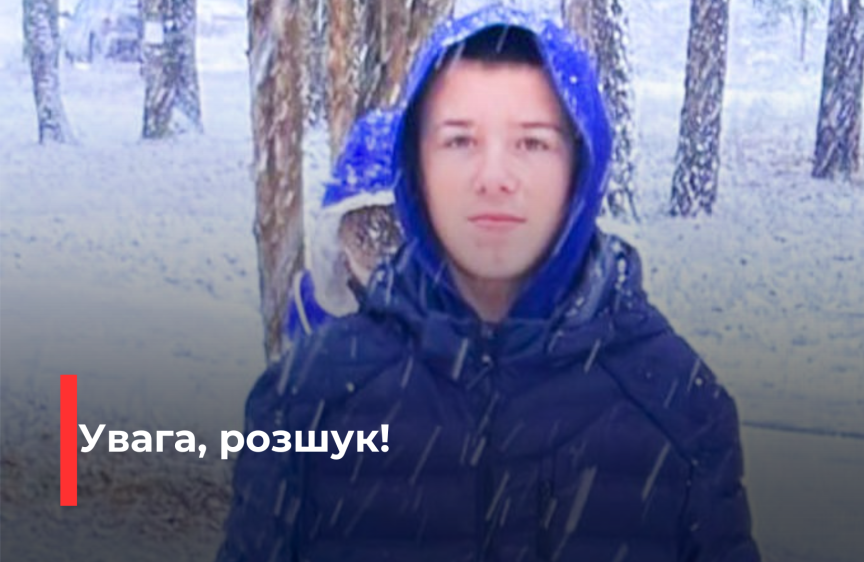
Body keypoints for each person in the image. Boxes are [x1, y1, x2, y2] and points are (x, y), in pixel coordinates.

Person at [217, 5, 760, 562]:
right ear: (415, 165)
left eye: (532, 143)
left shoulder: (678, 406)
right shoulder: (307, 399)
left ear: (581, 166)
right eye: (459, 141)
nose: (494, 178)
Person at [284, 109, 402, 346]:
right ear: (340, 244)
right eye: (364, 237)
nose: (386, 259)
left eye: (401, 234)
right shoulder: (314, 322)